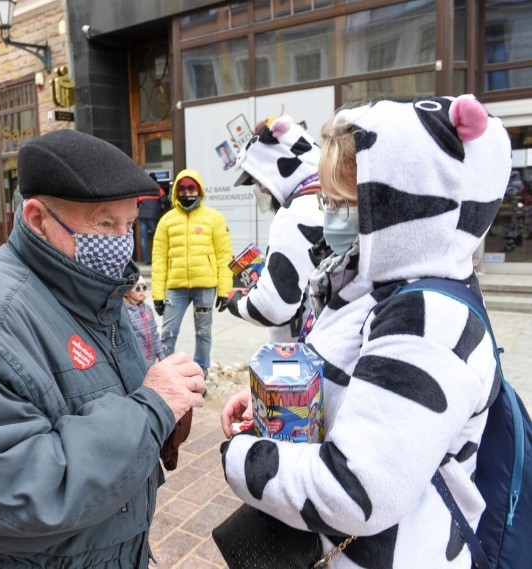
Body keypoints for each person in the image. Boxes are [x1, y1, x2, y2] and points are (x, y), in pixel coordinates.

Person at [220, 95, 510, 567]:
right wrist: (271, 404)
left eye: (344, 202)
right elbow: (351, 391)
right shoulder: (375, 284)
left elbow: (353, 490)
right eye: (326, 199)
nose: (329, 214)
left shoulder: (426, 319)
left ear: (400, 203)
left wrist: (242, 457)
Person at [0, 129, 207, 568]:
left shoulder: (91, 287)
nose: (121, 240)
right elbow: (15, 498)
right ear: (37, 219)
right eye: (104, 223)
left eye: (129, 225)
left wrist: (163, 419)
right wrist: (149, 411)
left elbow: (111, 398)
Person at [225, 115, 328, 342]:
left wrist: (236, 302)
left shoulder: (295, 213)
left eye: (260, 181)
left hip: (306, 350)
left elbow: (274, 307)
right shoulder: (332, 198)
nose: (263, 189)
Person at [151, 168, 233, 376]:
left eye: (191, 188)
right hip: (175, 288)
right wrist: (158, 295)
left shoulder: (214, 218)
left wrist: (225, 290)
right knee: (167, 334)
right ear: (176, 191)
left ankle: (201, 372)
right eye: (182, 189)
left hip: (205, 286)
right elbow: (159, 260)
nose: (187, 193)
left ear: (199, 190)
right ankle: (165, 374)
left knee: (203, 333)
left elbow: (224, 256)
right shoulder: (167, 221)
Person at [124, 275, 164, 367]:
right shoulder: (125, 312)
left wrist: (160, 353)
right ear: (127, 292)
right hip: (136, 360)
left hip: (152, 358)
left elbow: (154, 333)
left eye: (144, 287)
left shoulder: (148, 309)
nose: (142, 290)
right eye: (137, 288)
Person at [136, 175, 165, 265]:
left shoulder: (142, 190)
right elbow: (165, 200)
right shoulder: (158, 189)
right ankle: (159, 258)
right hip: (153, 216)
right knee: (158, 237)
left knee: (143, 239)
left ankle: (147, 260)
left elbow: (136, 201)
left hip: (142, 216)